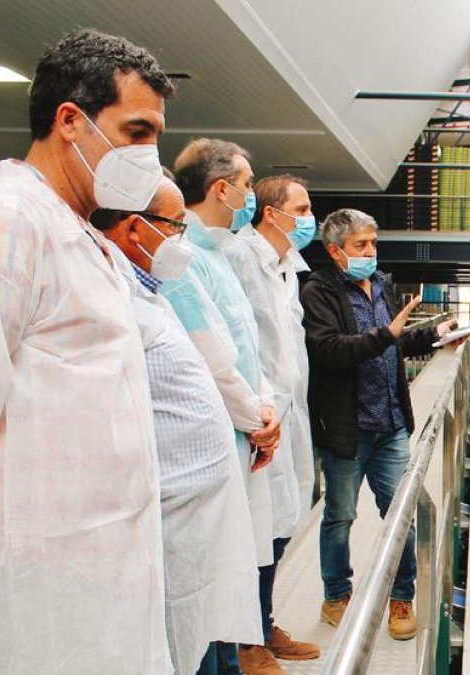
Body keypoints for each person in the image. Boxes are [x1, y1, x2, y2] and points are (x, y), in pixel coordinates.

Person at [0, 29, 176, 673]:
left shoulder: (75, 231)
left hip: (104, 565)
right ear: (71, 120)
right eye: (137, 132)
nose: (151, 156)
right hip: (42, 576)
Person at [91, 177, 264, 674]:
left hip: (198, 522)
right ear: (133, 229)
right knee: (179, 650)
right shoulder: (115, 299)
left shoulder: (152, 294)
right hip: (165, 524)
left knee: (205, 639)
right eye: (174, 227)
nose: (181, 241)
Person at [302, 208, 459, 640]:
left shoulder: (382, 285)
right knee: (340, 516)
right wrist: (387, 335)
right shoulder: (318, 292)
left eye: (373, 243)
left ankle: (401, 597)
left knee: (401, 514)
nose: (371, 252)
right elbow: (330, 350)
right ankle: (336, 595)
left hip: (390, 424)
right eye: (360, 246)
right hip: (347, 429)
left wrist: (433, 334)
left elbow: (393, 344)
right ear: (335, 251)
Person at [171, 138, 288, 674]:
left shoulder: (218, 255)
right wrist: (256, 420)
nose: (249, 195)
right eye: (246, 185)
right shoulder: (186, 260)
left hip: (247, 434)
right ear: (222, 188)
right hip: (217, 441)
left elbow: (249, 349)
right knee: (213, 581)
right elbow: (211, 358)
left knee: (235, 570)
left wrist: (263, 409)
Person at [223, 174, 323, 663]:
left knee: (282, 527)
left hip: (290, 414)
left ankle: (263, 625)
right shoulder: (241, 257)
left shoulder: (288, 266)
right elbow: (237, 342)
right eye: (301, 210)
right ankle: (247, 642)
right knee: (257, 534)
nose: (309, 219)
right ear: (271, 212)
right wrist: (254, 407)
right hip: (258, 418)